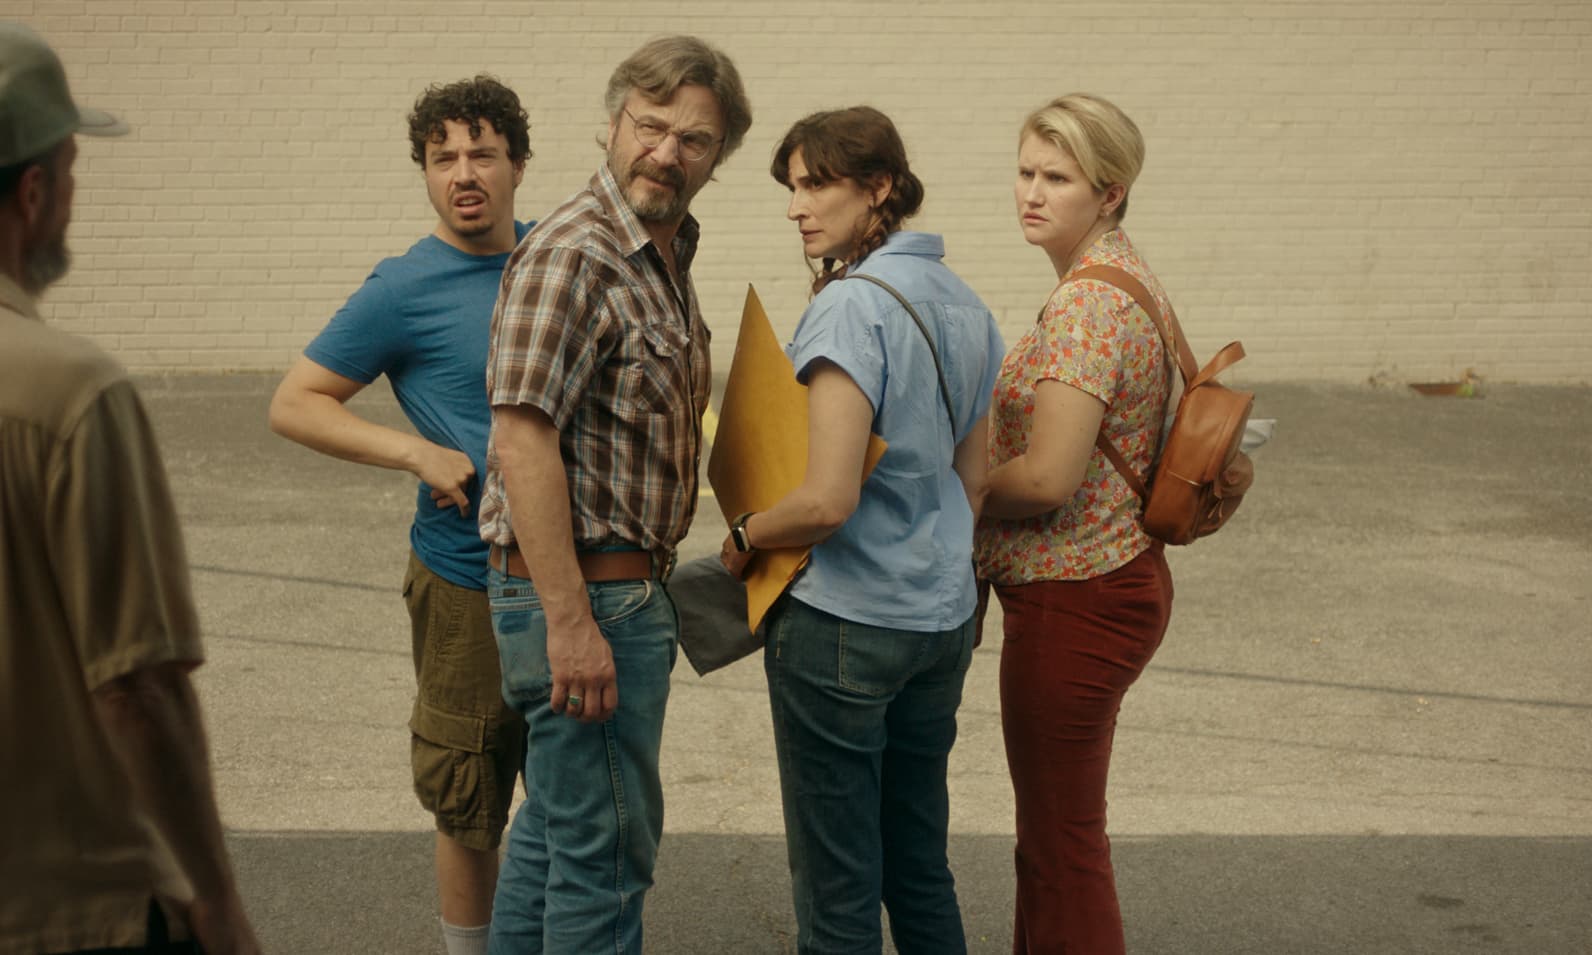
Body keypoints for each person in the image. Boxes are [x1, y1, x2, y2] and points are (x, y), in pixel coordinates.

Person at [478, 35, 752, 954]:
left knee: (558, 836)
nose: (668, 152)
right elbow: (522, 439)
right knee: (608, 855)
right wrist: (569, 622)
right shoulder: (577, 253)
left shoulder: (660, 257)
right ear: (612, 122)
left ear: (719, 158)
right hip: (585, 595)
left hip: (619, 590)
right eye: (652, 125)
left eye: (696, 140)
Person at [0, 21, 260, 955]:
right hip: (71, 905)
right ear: (34, 193)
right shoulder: (68, 391)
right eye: (69, 170)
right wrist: (216, 896)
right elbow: (139, 687)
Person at [719, 106, 1004, 955]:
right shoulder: (966, 302)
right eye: (792, 187)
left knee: (839, 888)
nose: (796, 206)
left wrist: (743, 531)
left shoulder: (850, 309)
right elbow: (977, 478)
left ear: (878, 187)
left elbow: (826, 499)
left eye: (816, 183)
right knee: (918, 865)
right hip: (940, 620)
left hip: (845, 622)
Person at [267, 75, 532, 955]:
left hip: (584, 574)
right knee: (468, 792)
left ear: (517, 165)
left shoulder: (559, 257)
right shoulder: (403, 288)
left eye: (482, 152)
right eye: (442, 155)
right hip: (466, 581)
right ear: (423, 172)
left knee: (578, 791)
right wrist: (413, 451)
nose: (464, 171)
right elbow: (297, 401)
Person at [973, 93, 1178, 954]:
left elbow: (1048, 477)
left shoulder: (1089, 305)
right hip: (1105, 584)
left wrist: (951, 487)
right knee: (1057, 837)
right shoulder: (1119, 275)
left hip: (1075, 598)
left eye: (1058, 177)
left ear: (1111, 192)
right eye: (1025, 171)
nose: (1032, 192)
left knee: (1061, 843)